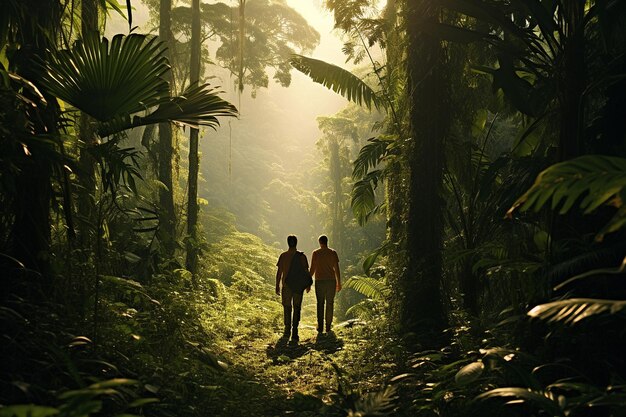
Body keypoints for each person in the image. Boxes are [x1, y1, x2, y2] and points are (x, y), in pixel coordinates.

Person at [275, 235, 310, 343]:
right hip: (298, 286)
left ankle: (287, 330)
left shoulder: (283, 256)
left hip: (286, 286)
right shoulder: (301, 256)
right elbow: (306, 272)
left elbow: (279, 272)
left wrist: (277, 285)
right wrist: (308, 284)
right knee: (297, 307)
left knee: (287, 307)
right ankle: (295, 331)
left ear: (288, 243)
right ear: (296, 243)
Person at [309, 235, 341, 334]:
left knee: (320, 303)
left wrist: (308, 282)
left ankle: (320, 326)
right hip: (331, 281)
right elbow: (337, 269)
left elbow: (312, 269)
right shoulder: (333, 253)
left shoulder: (316, 253)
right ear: (327, 242)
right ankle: (328, 326)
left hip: (319, 281)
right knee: (330, 303)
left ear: (319, 242)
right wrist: (339, 282)